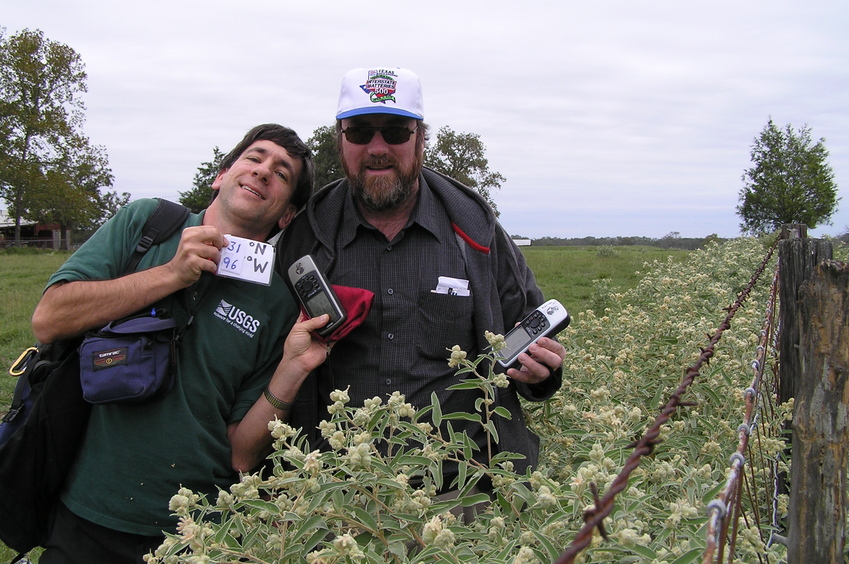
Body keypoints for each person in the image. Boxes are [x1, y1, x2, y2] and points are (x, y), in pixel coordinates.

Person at [30, 123, 331, 563]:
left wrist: (295, 365)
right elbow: (49, 319)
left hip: (199, 534)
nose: (264, 171)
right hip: (89, 514)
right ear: (221, 175)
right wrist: (172, 273)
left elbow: (242, 453)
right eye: (254, 157)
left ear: (286, 216)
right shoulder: (146, 224)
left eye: (282, 174)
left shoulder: (278, 301)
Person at [274, 68, 567, 488]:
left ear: (420, 139)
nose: (377, 148)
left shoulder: (476, 229)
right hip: (338, 493)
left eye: (395, 132)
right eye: (359, 132)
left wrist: (542, 375)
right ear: (340, 139)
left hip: (464, 487)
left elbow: (533, 346)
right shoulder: (306, 234)